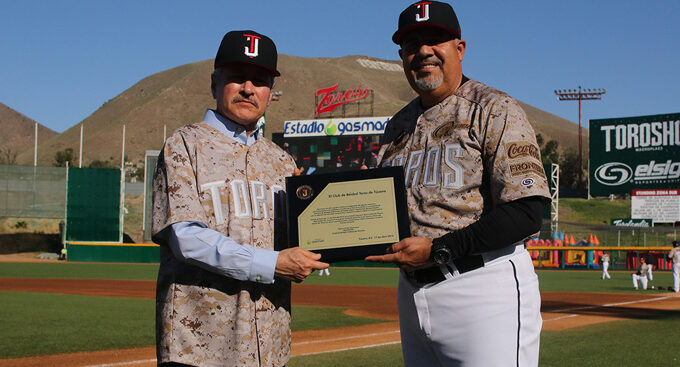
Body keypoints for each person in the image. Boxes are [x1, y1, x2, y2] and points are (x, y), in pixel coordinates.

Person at [365, 2, 551, 366]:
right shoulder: (397, 125)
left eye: (435, 40)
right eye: (411, 44)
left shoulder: (495, 108)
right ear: (402, 55)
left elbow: (527, 213)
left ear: (459, 49)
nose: (423, 51)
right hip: (412, 291)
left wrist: (438, 250)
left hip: (482, 286)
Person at [152, 30, 328, 367]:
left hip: (269, 346)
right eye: (237, 77)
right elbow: (186, 238)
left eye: (260, 80)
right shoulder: (184, 145)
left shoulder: (281, 161)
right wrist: (273, 264)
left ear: (270, 93)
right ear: (215, 83)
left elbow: (296, 242)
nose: (248, 88)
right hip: (200, 348)